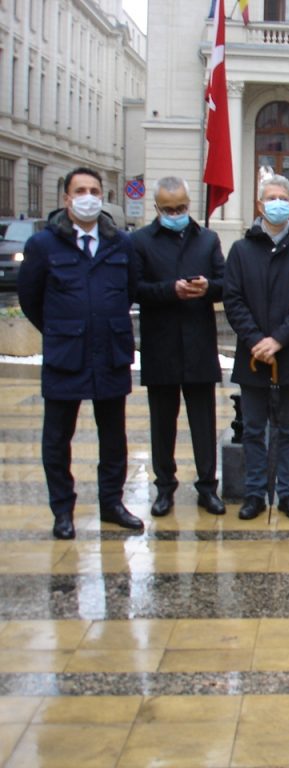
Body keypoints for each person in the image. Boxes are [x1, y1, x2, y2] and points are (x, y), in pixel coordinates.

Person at [17, 167, 144, 540]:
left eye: (94, 190)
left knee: (114, 436)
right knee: (57, 438)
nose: (88, 197)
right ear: (67, 199)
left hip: (110, 351)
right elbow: (30, 299)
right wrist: (61, 329)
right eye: (80, 190)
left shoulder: (120, 243)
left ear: (102, 196)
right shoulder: (44, 245)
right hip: (66, 354)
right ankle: (62, 510)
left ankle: (112, 503)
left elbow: (129, 289)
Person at [223, 174, 289, 522]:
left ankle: (287, 493)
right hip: (253, 356)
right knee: (253, 429)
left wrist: (278, 339)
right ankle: (254, 493)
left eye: (283, 198)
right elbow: (233, 299)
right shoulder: (241, 250)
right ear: (260, 204)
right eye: (271, 197)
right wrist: (256, 340)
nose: (277, 203)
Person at [132, 177, 226, 518]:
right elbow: (135, 288)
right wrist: (170, 290)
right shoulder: (140, 241)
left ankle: (207, 487)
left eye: (182, 208)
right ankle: (164, 487)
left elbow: (226, 283)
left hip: (199, 344)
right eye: (169, 209)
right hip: (161, 345)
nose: (176, 214)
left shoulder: (208, 239)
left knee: (204, 422)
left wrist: (208, 287)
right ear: (157, 208)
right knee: (162, 423)